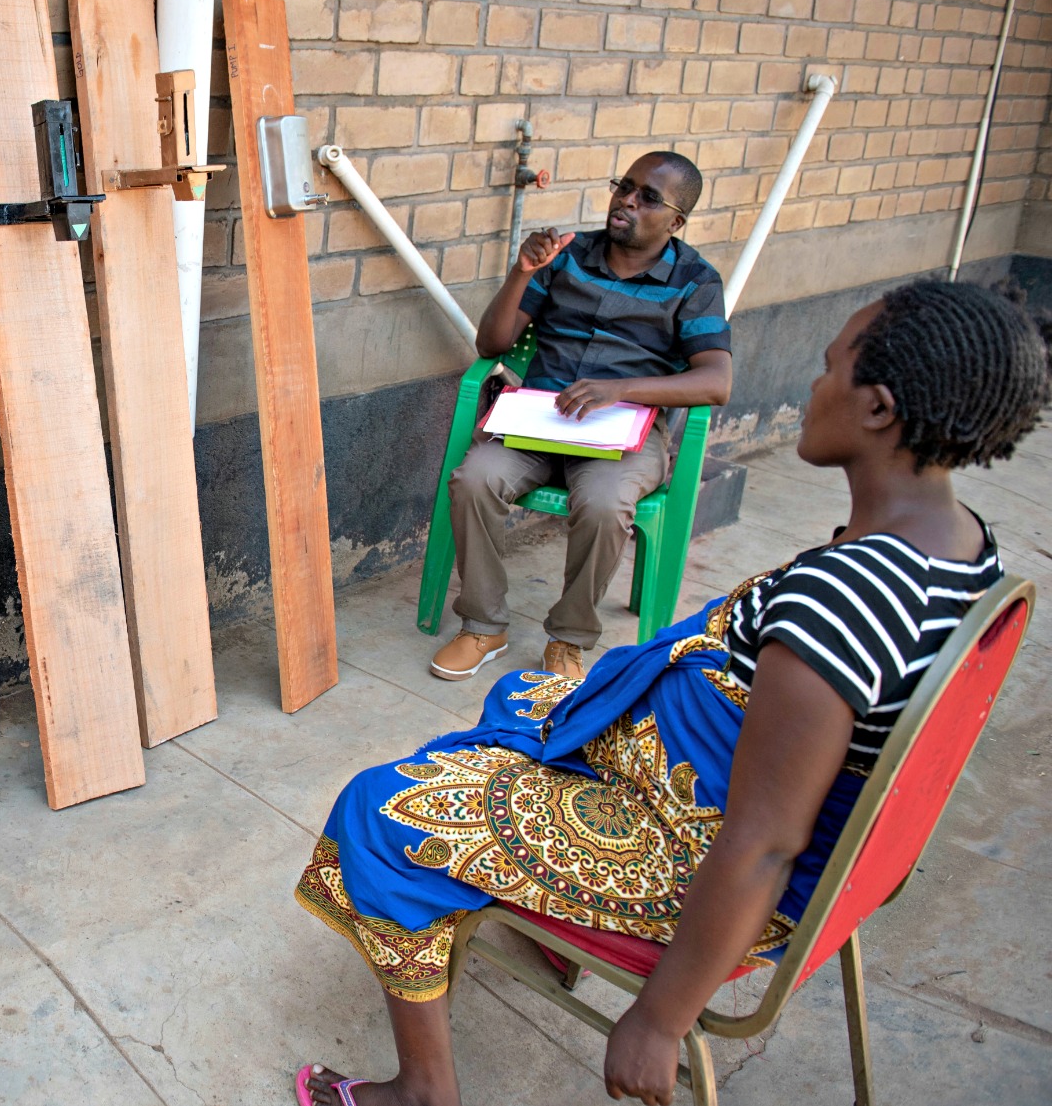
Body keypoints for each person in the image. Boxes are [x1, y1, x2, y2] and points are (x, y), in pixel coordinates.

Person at [295, 281, 1049, 1106]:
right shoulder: (960, 542)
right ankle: (531, 913)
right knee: (524, 696)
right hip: (724, 796)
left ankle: (422, 1092)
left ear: (876, 409)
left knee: (380, 810)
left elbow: (763, 841)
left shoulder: (843, 603)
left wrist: (659, 1018)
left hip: (698, 855)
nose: (811, 384)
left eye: (830, 368)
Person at [432, 151, 731, 684]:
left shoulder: (695, 281)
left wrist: (619, 389)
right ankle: (483, 625)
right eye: (625, 186)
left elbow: (715, 381)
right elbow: (492, 343)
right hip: (540, 421)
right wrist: (521, 274)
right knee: (474, 479)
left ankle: (568, 638)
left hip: (623, 432)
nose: (628, 201)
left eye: (648, 197)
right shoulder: (568, 256)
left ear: (676, 221)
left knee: (603, 503)